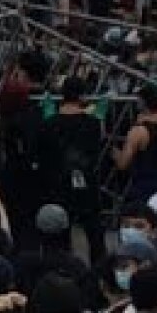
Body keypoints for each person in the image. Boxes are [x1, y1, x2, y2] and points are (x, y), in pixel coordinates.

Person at [39, 76, 105, 264]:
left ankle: (62, 270)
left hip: (57, 183)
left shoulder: (49, 123)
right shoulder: (92, 124)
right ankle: (100, 272)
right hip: (86, 182)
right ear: (82, 96)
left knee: (60, 233)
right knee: (95, 234)